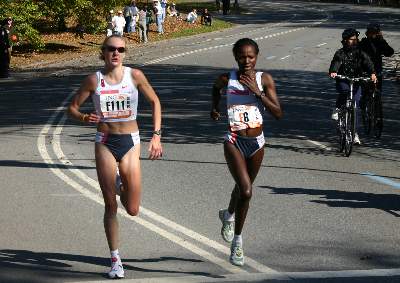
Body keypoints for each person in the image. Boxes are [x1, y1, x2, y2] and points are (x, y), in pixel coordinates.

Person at [67, 35, 162, 279]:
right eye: (111, 49)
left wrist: (156, 136)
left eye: (121, 49)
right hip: (105, 143)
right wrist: (84, 118)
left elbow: (155, 101)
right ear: (103, 52)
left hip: (130, 142)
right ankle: (115, 259)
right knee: (110, 204)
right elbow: (73, 108)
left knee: (132, 209)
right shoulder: (93, 80)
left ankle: (120, 184)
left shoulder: (135, 76)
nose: (116, 53)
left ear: (125, 52)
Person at [211, 38, 282, 266]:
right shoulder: (227, 78)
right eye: (242, 56)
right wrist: (215, 107)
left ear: (257, 56)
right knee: (247, 191)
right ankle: (238, 243)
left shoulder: (264, 79)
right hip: (234, 140)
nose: (247, 61)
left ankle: (228, 214)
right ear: (236, 57)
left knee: (242, 190)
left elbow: (278, 113)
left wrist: (257, 92)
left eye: (251, 56)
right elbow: (215, 88)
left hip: (257, 143)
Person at [329, 28, 377, 145]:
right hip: (343, 79)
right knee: (344, 91)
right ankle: (337, 109)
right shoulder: (340, 52)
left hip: (356, 81)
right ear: (345, 40)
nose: (355, 41)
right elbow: (336, 62)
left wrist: (372, 73)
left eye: (356, 39)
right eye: (352, 39)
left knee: (355, 104)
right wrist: (334, 71)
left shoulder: (360, 53)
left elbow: (368, 62)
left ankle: (354, 133)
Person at [359, 23, 394, 93]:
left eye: (374, 33)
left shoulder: (380, 42)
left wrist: (382, 41)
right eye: (371, 33)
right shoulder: (364, 42)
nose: (372, 35)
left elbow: (389, 52)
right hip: (366, 71)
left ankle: (376, 101)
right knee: (366, 92)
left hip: (376, 70)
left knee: (376, 92)